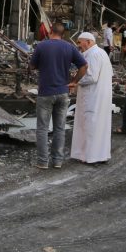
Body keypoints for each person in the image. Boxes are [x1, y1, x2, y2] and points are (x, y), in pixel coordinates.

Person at [29, 23, 87, 169]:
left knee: (42, 128)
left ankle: (43, 162)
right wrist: (74, 82)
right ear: (62, 34)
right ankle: (57, 161)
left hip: (46, 92)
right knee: (59, 128)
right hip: (63, 92)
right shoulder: (69, 47)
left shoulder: (42, 46)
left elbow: (32, 66)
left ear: (50, 32)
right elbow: (84, 66)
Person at [70, 32, 113, 164]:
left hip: (93, 96)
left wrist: (75, 81)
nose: (78, 46)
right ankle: (100, 155)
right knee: (99, 126)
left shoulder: (93, 54)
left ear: (88, 42)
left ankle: (90, 156)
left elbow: (91, 77)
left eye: (79, 42)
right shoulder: (101, 53)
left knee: (89, 125)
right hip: (101, 96)